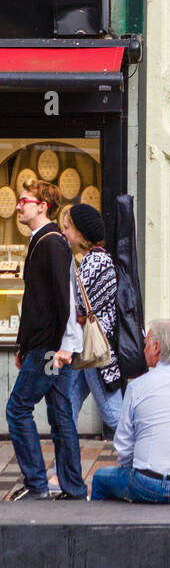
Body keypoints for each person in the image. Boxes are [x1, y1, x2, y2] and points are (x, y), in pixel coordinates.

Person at [4, 179, 86, 502]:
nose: (19, 206)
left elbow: (62, 299)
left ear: (42, 206)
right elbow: (41, 300)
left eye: (25, 201)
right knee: (60, 414)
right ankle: (73, 488)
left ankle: (37, 485)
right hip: (48, 347)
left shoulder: (50, 242)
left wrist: (64, 347)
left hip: (50, 349)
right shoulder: (47, 241)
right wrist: (24, 345)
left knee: (17, 409)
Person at [90, 319, 170, 502]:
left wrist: (136, 469)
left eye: (146, 344)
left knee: (100, 478)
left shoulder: (137, 387)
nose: (143, 350)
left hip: (146, 483)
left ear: (156, 348)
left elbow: (124, 447)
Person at [62, 204, 122, 435]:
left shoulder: (97, 262)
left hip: (97, 351)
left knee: (115, 417)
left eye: (68, 228)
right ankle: (63, 471)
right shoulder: (93, 259)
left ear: (81, 233)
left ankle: (152, 463)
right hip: (90, 349)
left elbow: (79, 306)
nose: (64, 232)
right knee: (67, 409)